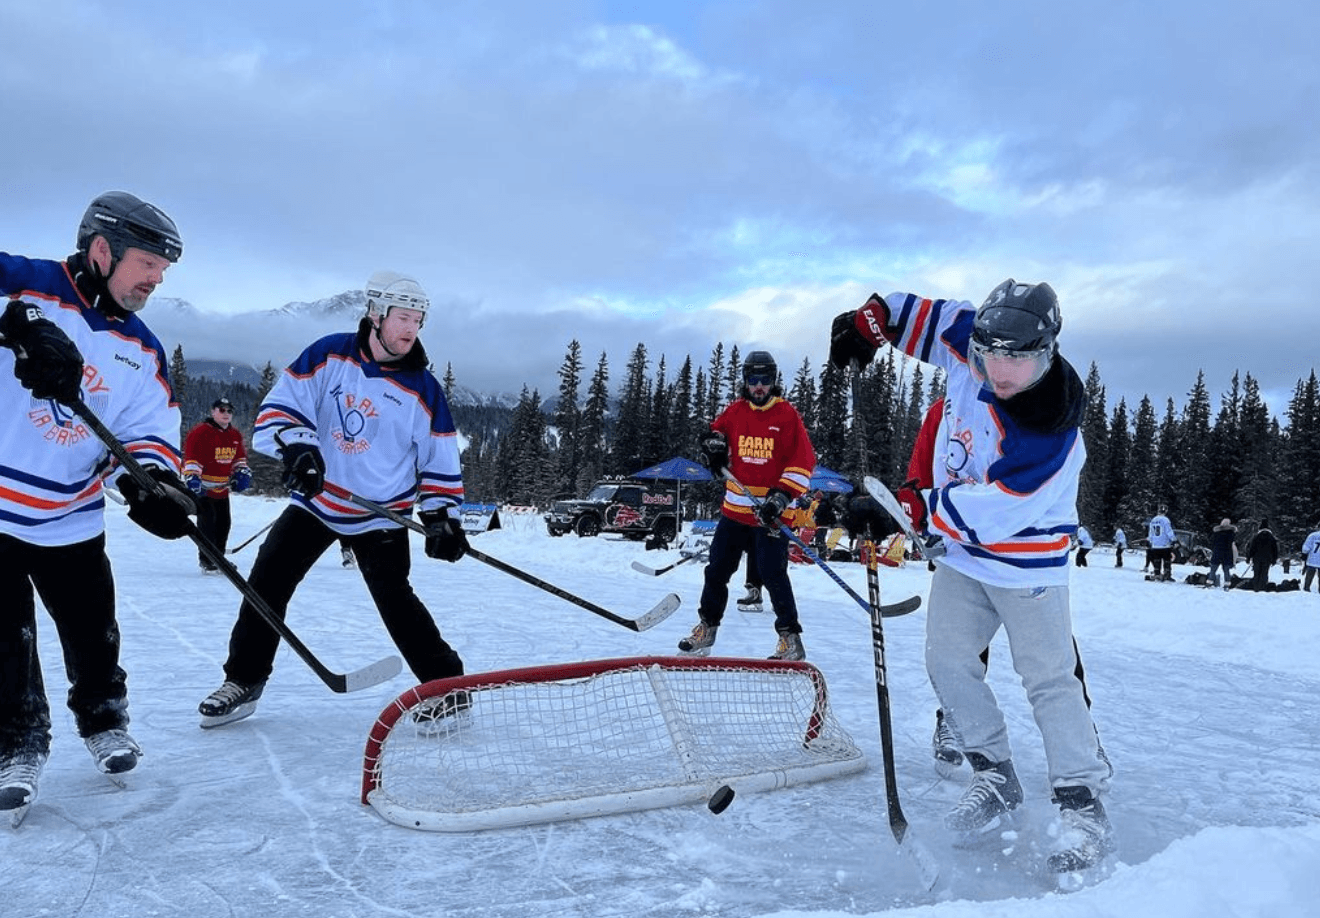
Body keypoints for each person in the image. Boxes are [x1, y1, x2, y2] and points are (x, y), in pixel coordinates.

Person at [830, 279, 1114, 873]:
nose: (1001, 371)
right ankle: (994, 773)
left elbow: (1004, 505)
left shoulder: (1050, 425)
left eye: (1021, 357)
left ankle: (1082, 799)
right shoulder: (973, 339)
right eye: (991, 355)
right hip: (962, 558)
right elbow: (921, 315)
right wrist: (870, 324)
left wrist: (910, 510)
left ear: (1049, 351)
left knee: (1048, 678)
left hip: (1026, 561)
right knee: (948, 662)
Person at [197, 271, 469, 728]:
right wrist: (301, 447)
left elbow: (439, 456)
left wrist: (442, 515)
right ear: (376, 315)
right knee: (266, 583)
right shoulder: (329, 354)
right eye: (403, 318)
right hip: (318, 502)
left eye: (418, 321)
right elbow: (283, 406)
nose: (410, 330)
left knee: (396, 600)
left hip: (380, 514)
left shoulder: (423, 388)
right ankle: (243, 680)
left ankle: (449, 690)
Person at [0, 192, 195, 814]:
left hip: (70, 516)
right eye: (147, 264)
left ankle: (103, 718)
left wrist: (150, 485)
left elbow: (145, 433)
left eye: (163, 271)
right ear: (102, 250)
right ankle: (17, 743)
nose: (155, 280)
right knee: (5, 638)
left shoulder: (141, 349)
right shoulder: (21, 284)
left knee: (92, 631)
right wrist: (20, 327)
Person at [680, 350, 815, 661]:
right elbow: (716, 435)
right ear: (744, 380)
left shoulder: (787, 415)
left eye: (764, 379)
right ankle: (706, 628)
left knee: (772, 575)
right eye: (752, 379)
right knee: (716, 571)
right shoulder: (736, 410)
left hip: (770, 515)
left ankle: (790, 638)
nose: (758, 386)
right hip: (734, 512)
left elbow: (803, 462)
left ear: (773, 381)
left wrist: (781, 496)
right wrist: (712, 446)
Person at [183, 396, 252, 572]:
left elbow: (238, 459)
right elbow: (192, 457)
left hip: (222, 490)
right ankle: (207, 560)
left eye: (229, 410)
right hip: (204, 490)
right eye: (221, 410)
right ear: (213, 412)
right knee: (207, 525)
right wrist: (192, 477)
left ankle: (218, 559)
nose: (226, 414)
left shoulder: (234, 435)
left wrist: (241, 473)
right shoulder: (200, 432)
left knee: (224, 524)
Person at [1245, 518, 1279, 591]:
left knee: (1256, 572)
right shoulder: (1272, 537)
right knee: (1264, 572)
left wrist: (1248, 557)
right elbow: (1275, 549)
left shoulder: (1257, 536)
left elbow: (1252, 548)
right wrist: (1274, 559)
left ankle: (1256, 587)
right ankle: (1262, 586)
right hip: (1267, 558)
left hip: (1257, 557)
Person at [1147, 506, 1176, 581]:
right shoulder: (1165, 520)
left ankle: (1157, 574)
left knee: (1157, 560)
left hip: (1155, 544)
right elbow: (1168, 531)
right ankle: (1167, 575)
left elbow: (1151, 532)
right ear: (1165, 511)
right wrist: (1173, 539)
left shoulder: (1153, 520)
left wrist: (1150, 541)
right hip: (1164, 544)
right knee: (1167, 561)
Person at [1208, 519, 1238, 589]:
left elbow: (1212, 543)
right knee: (1226, 570)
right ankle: (1227, 584)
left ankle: (1209, 582)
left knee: (1213, 569)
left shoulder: (1216, 533)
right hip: (1227, 554)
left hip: (1217, 553)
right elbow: (1232, 544)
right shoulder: (1231, 533)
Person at [1303, 524, 1320, 593]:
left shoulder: (1312, 535)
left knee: (1309, 574)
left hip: (1312, 559)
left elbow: (1305, 548)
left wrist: (1304, 554)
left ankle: (1306, 588)